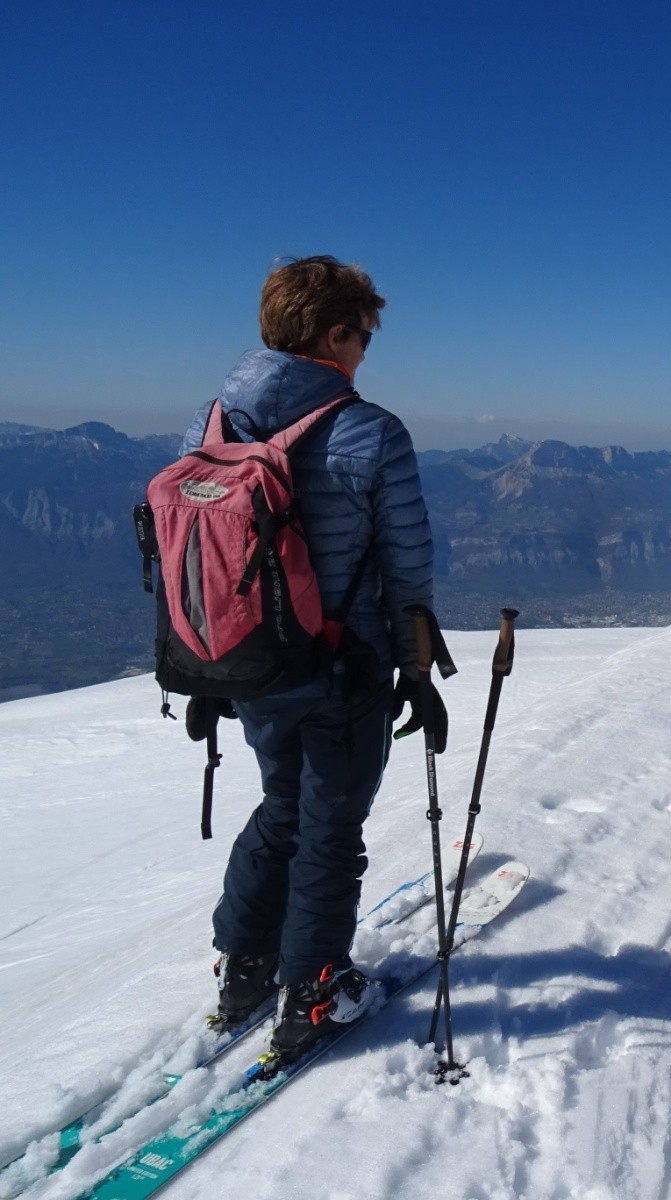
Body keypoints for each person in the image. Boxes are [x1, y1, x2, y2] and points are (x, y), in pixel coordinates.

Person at [181, 255, 439, 1062]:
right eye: (362, 336)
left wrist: (204, 666)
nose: (365, 352)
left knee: (283, 805)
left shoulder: (209, 425)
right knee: (331, 825)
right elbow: (406, 566)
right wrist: (417, 672)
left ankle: (245, 970)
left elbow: (192, 557)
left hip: (247, 666)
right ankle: (315, 991)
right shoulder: (370, 432)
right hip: (340, 665)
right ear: (333, 335)